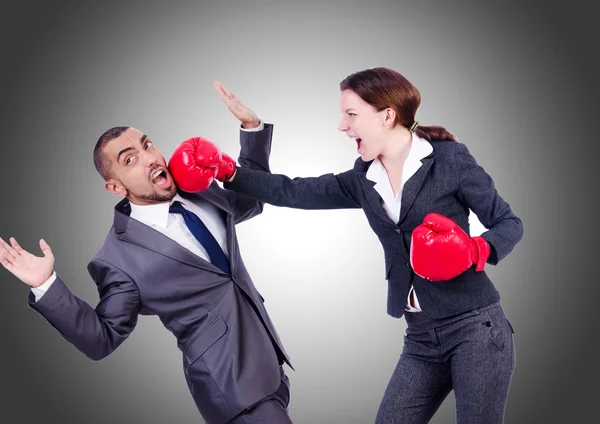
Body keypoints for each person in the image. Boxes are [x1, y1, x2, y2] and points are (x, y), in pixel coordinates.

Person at [212, 68, 524, 423]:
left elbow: (510, 223)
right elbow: (294, 191)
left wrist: (475, 250)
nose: (342, 126)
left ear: (387, 115)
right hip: (421, 338)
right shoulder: (363, 178)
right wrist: (230, 173)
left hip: (476, 328)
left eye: (351, 115)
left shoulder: (450, 160)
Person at [0, 119, 294, 424]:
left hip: (271, 367)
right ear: (115, 187)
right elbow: (102, 338)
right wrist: (46, 285)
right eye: (130, 159)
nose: (150, 158)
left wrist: (252, 131)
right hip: (233, 390)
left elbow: (252, 200)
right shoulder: (118, 258)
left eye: (147, 145)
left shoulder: (199, 191)